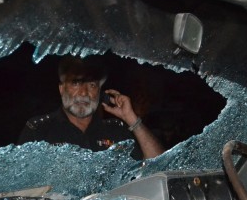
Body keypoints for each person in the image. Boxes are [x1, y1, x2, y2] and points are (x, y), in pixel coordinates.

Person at [18, 56, 164, 159]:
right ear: (62, 89)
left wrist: (132, 120)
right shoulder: (39, 130)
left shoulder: (117, 130)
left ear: (100, 92)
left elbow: (158, 167)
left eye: (92, 85)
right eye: (76, 83)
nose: (83, 92)